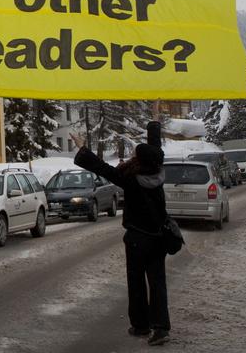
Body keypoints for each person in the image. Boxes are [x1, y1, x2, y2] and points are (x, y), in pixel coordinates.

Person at [71, 122, 171, 346]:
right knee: (157, 283)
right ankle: (161, 327)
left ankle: (141, 325)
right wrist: (154, 124)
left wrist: (83, 148)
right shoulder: (158, 172)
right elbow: (156, 150)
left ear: (139, 159)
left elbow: (102, 168)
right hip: (158, 237)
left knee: (136, 283)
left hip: (137, 238)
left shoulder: (131, 179)